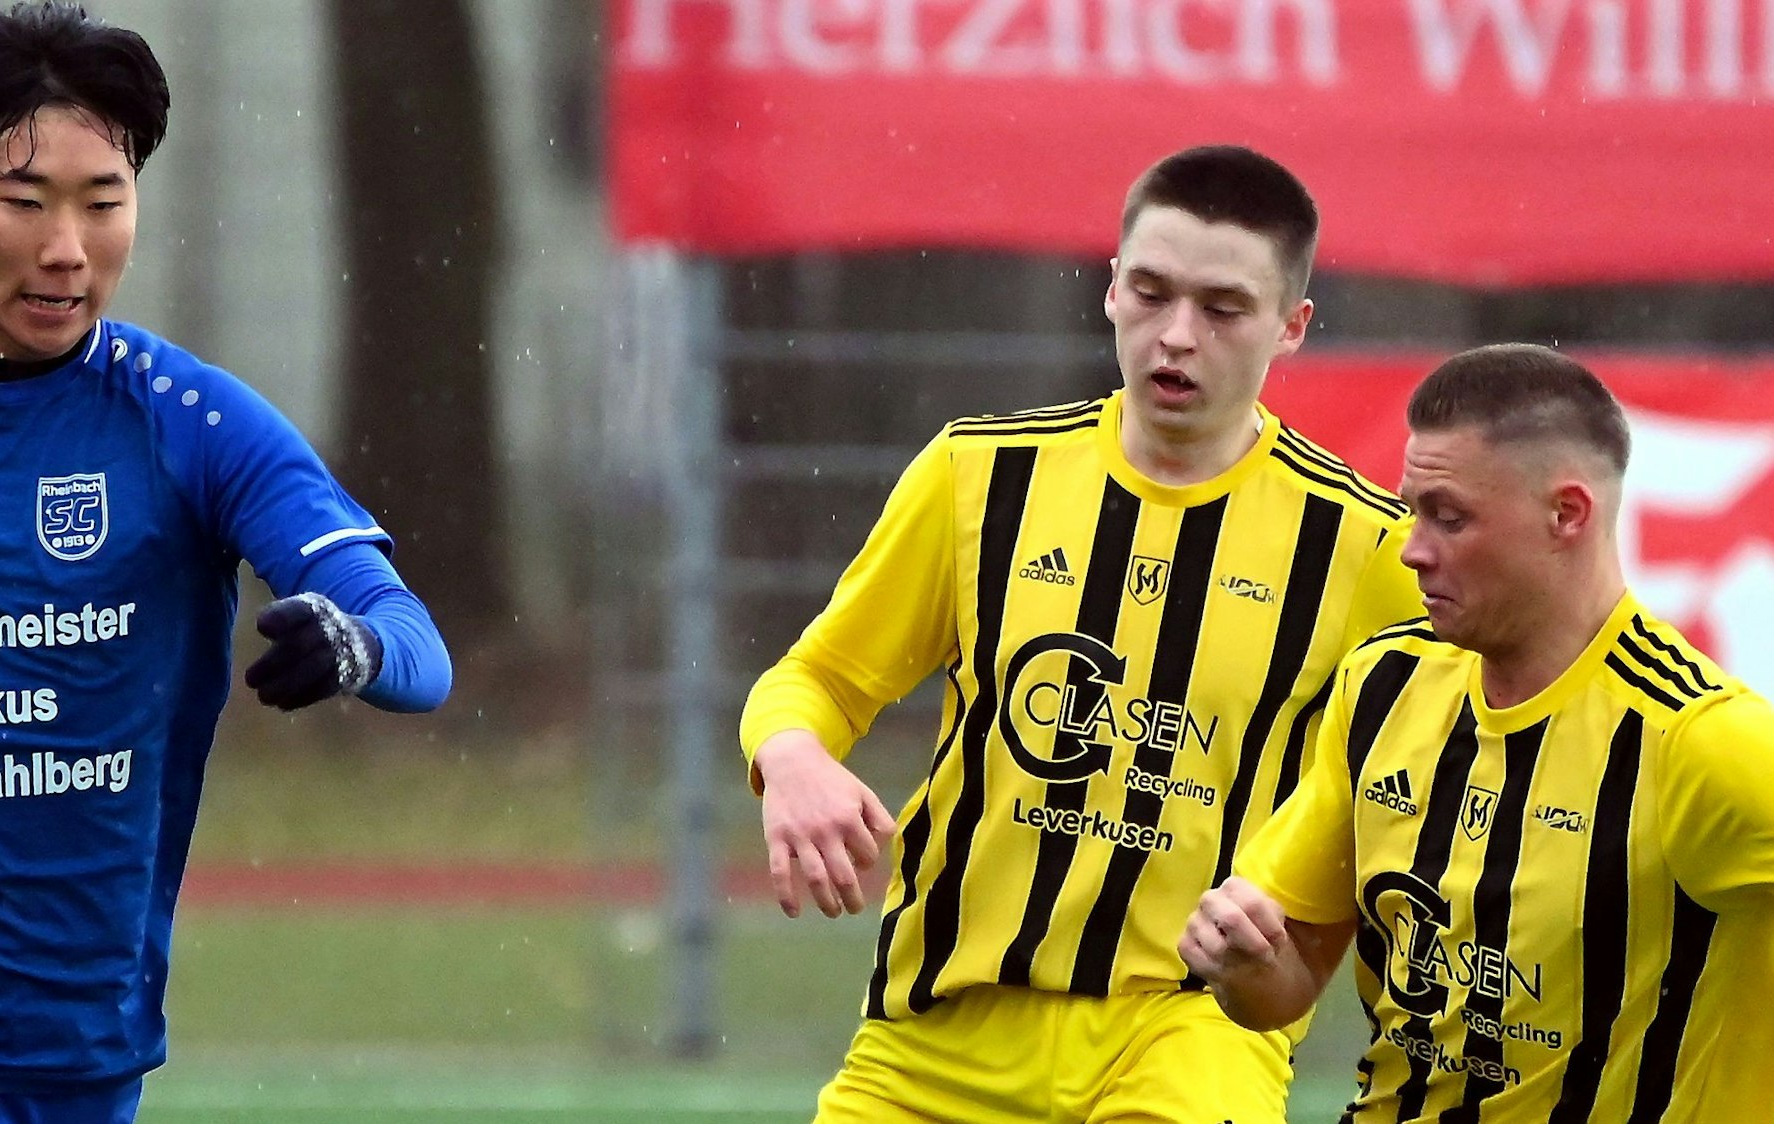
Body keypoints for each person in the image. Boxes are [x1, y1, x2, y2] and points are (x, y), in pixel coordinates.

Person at [0, 4, 451, 1121]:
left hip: (73, 1063)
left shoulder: (195, 426)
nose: (66, 248)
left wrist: (354, 644)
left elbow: (417, 647)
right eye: (25, 201)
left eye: (103, 202)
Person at [739, 144, 1425, 1122]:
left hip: (1189, 1036)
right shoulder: (980, 478)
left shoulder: (1363, 547)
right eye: (1150, 292)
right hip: (935, 1038)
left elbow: (1443, 766)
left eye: (1222, 309)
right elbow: (817, 677)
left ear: (1291, 327)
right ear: (1110, 289)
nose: (1175, 334)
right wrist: (792, 755)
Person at [1181, 344, 1774, 1121]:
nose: (1411, 549)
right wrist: (1240, 964)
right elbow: (1282, 987)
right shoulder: (1383, 685)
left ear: (1566, 514)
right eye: (1411, 511)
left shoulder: (1699, 742)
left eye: (1448, 518)